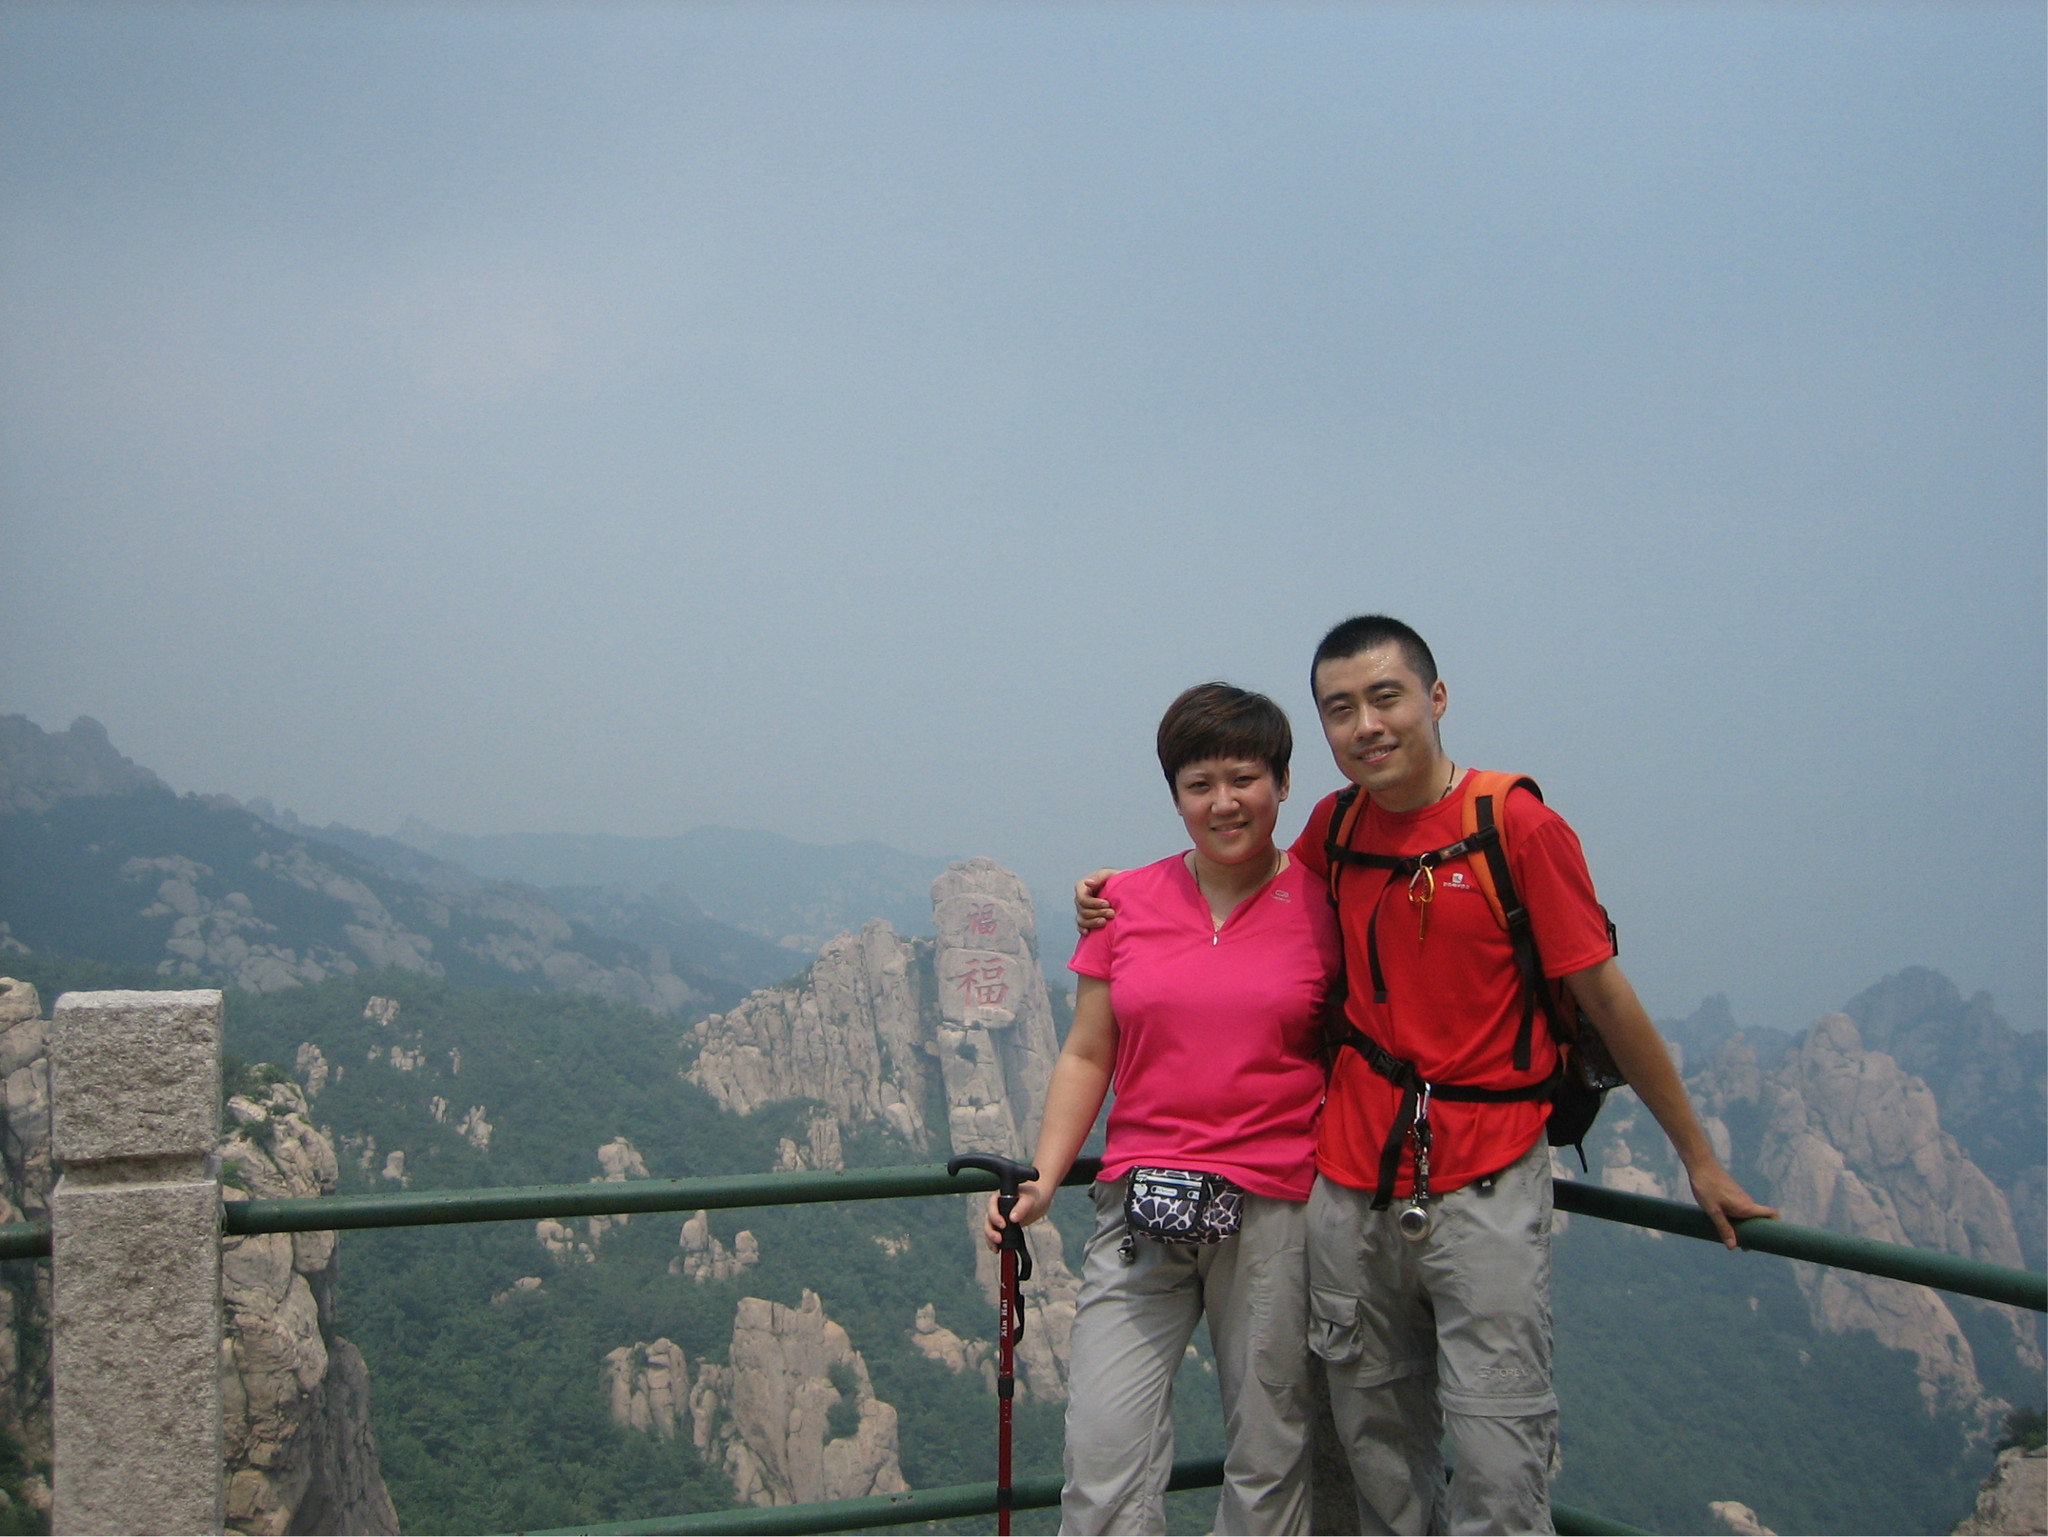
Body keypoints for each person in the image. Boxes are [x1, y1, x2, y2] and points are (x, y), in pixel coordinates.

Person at [1079, 616, 1776, 1536]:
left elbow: (1604, 996)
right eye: (1341, 708)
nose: (1366, 724)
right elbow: (1237, 881)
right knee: (1375, 1444)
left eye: (1385, 697)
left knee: (1497, 1452)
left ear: (1435, 699)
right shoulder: (1338, 826)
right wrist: (1118, 895)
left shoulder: (1513, 823)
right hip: (1349, 1182)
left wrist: (1698, 1154)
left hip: (1486, 1175)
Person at [985, 682, 1341, 1536]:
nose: (1224, 802)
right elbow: (1087, 1050)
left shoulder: (1329, 907)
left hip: (1275, 1208)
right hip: (1142, 1204)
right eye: (1199, 782)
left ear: (1283, 784)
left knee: (1270, 1455)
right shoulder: (1127, 901)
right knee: (1103, 1456)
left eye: (1245, 778)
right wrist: (1043, 1175)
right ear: (1175, 793)